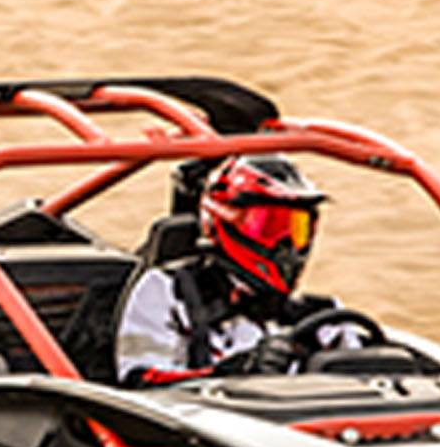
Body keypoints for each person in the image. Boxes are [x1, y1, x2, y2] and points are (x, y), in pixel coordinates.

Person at [115, 154, 353, 385]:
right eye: (269, 226)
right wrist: (234, 372)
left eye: (298, 229)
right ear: (225, 220)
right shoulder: (168, 290)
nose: (287, 245)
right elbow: (141, 383)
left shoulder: (322, 317)